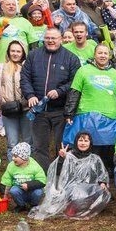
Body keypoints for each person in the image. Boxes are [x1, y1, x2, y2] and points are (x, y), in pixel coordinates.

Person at [20, 28, 81, 168]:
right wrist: (30, 95)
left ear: (61, 39)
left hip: (61, 110)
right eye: (48, 38)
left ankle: (60, 175)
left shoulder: (71, 58)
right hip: (39, 110)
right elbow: (24, 77)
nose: (50, 41)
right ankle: (43, 177)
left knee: (63, 146)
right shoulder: (33, 55)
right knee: (40, 147)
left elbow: (76, 82)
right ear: (44, 39)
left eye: (54, 38)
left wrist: (60, 91)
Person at [64, 44, 116, 172]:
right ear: (94, 55)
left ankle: (104, 180)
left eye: (105, 53)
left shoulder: (114, 73)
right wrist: (69, 113)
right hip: (87, 116)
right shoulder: (83, 70)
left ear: (109, 56)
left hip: (110, 118)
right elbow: (74, 92)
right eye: (100, 53)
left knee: (107, 150)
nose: (103, 56)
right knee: (89, 148)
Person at [29, 131, 111, 220]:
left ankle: (87, 208)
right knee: (77, 191)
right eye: (81, 140)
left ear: (90, 143)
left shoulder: (95, 158)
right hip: (71, 189)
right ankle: (72, 208)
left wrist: (103, 182)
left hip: (88, 188)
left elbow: (101, 174)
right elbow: (57, 173)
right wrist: (61, 158)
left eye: (86, 141)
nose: (83, 143)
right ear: (76, 142)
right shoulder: (69, 156)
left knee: (103, 192)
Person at [0, 39, 31, 160]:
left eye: (18, 51)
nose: (15, 54)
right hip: (8, 110)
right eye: (13, 51)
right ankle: (13, 172)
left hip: (26, 109)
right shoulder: (0, 68)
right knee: (12, 143)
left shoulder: (27, 67)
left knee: (28, 142)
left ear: (23, 53)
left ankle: (29, 170)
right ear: (8, 52)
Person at [0, 142, 47, 210]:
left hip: (32, 191)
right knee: (13, 190)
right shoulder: (11, 166)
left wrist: (29, 185)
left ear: (24, 158)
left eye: (15, 156)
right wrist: (5, 194)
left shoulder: (34, 166)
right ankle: (21, 205)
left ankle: (33, 205)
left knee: (38, 192)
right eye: (12, 155)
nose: (13, 158)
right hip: (20, 191)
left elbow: (42, 180)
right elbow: (6, 180)